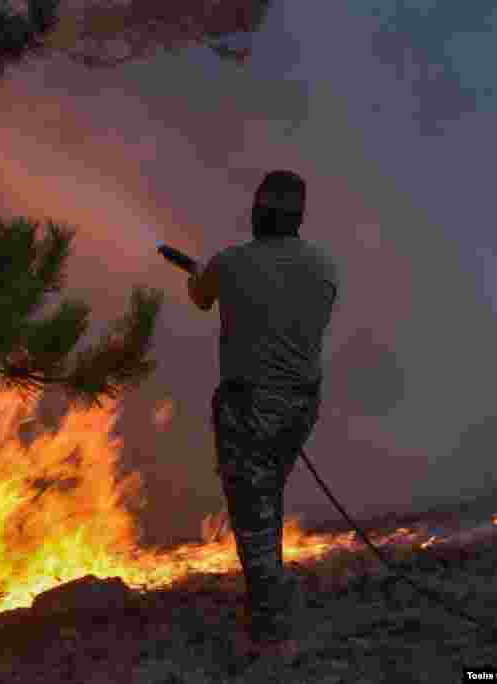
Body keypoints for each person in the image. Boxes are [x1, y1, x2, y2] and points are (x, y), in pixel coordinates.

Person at [186, 170, 340, 668]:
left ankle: (271, 636)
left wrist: (199, 275)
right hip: (299, 407)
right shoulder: (323, 266)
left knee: (252, 513)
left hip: (249, 406)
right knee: (268, 493)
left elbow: (201, 296)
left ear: (258, 212)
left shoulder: (231, 263)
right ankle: (271, 599)